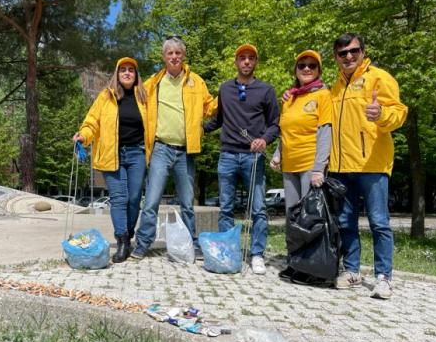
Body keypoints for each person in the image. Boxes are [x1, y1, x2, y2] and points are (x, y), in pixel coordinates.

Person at [328, 33, 408, 298]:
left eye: (353, 51)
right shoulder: (335, 87)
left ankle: (383, 277)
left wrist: (382, 114)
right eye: (342, 53)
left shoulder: (379, 78)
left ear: (362, 51)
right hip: (341, 167)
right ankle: (352, 271)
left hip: (372, 165)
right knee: (345, 222)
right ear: (336, 57)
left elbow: (399, 112)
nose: (349, 56)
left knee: (379, 222)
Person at [130, 36, 217, 259]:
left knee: (187, 203)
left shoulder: (196, 81)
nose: (174, 57)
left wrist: (230, 94)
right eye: (170, 53)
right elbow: (132, 100)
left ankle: (191, 244)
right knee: (151, 201)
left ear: (183, 55)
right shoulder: (153, 83)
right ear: (164, 57)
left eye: (178, 53)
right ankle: (142, 243)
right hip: (160, 149)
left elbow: (210, 106)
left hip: (186, 151)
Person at [204, 44, 280, 275]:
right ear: (236, 62)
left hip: (253, 157)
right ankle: (229, 252)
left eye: (251, 58)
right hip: (227, 155)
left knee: (258, 209)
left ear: (255, 62)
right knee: (226, 208)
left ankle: (257, 254)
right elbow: (218, 120)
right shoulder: (225, 88)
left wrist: (264, 140)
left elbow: (275, 124)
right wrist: (197, 129)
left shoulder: (266, 90)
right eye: (242, 58)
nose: (246, 61)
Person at [73, 57, 150, 263]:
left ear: (136, 75)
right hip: (112, 154)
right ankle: (122, 240)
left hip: (137, 153)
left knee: (134, 198)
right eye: (123, 70)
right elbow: (92, 122)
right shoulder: (105, 97)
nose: (127, 73)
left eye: (131, 70)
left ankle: (128, 233)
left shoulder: (144, 97)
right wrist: (83, 136)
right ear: (117, 74)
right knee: (118, 198)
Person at [270, 50, 332, 279]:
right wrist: (278, 154)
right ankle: (295, 262)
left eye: (312, 65)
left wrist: (318, 168)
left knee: (310, 218)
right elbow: (285, 131)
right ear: (295, 70)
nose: (306, 69)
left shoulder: (323, 95)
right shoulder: (290, 98)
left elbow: (325, 132)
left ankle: (312, 267)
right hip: (290, 165)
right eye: (302, 65)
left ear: (318, 70)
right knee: (292, 217)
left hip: (309, 165)